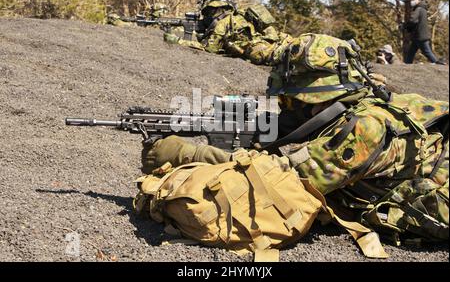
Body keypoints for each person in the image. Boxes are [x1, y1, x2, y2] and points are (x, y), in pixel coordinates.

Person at [139, 34, 449, 244]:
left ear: (321, 93)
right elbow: (286, 126)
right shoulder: (366, 103)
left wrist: (184, 152)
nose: (288, 106)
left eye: (294, 99)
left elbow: (277, 180)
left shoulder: (362, 129)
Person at [163, 0, 293, 66]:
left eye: (209, 12)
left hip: (268, 53)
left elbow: (209, 49)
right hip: (281, 43)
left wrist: (178, 41)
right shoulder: (240, 16)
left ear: (213, 9)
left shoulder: (222, 24)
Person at [404, 0, 445, 65]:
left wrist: (405, 26)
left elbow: (412, 20)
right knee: (411, 53)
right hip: (419, 35)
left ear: (419, 0)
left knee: (427, 52)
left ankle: (439, 64)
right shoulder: (423, 9)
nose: (412, 1)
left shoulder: (418, 9)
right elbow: (416, 21)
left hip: (419, 36)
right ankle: (407, 65)